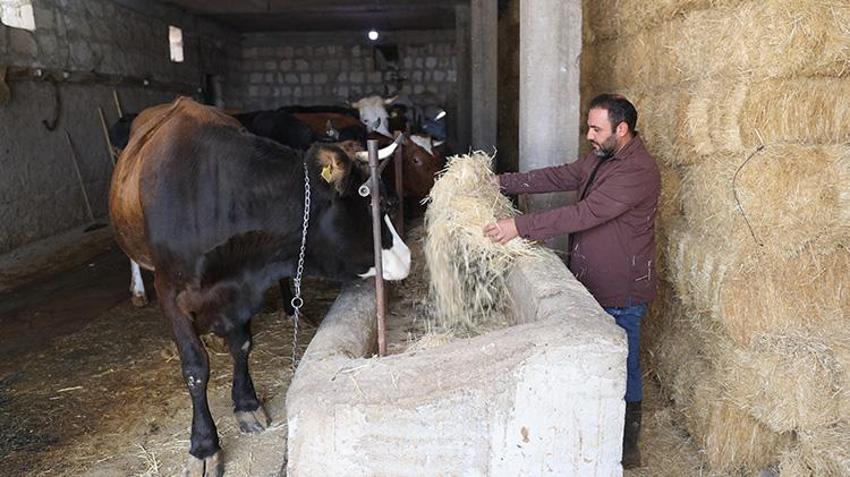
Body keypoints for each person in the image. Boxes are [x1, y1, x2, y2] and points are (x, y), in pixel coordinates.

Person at [484, 94, 660, 469]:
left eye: (596, 128)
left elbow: (585, 213)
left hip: (620, 286)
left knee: (623, 362)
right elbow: (560, 176)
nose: (589, 135)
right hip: (592, 278)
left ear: (621, 129)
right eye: (588, 127)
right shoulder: (601, 158)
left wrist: (519, 226)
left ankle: (626, 445)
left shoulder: (637, 171)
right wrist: (500, 182)